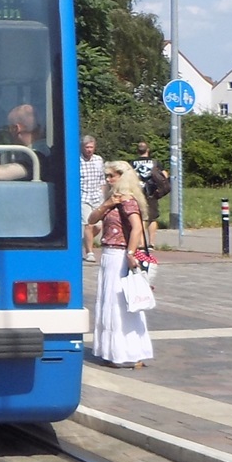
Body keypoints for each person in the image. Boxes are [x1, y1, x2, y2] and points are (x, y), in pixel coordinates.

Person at [87, 160, 153, 370]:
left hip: (119, 253)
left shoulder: (128, 201)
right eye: (107, 176)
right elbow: (91, 219)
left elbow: (136, 228)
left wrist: (131, 252)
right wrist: (107, 204)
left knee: (119, 303)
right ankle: (111, 350)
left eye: (111, 176)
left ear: (121, 177)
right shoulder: (113, 199)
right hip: (108, 253)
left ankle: (129, 351)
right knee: (109, 301)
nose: (108, 179)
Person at [0, 103, 49, 181]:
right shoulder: (45, 151)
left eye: (9, 128)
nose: (8, 132)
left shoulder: (36, 156)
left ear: (16, 128)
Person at [131, 141, 166, 245]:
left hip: (138, 192)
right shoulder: (155, 162)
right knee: (152, 218)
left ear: (138, 150)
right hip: (152, 192)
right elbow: (164, 176)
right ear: (148, 150)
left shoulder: (132, 163)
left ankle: (141, 243)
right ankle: (151, 243)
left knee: (140, 217)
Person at [79, 135, 106, 263]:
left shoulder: (98, 160)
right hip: (83, 196)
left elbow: (102, 179)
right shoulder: (77, 160)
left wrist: (103, 195)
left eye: (91, 147)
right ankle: (89, 252)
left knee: (98, 226)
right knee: (88, 224)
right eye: (87, 147)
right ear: (82, 147)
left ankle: (83, 241)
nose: (89, 150)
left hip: (97, 196)